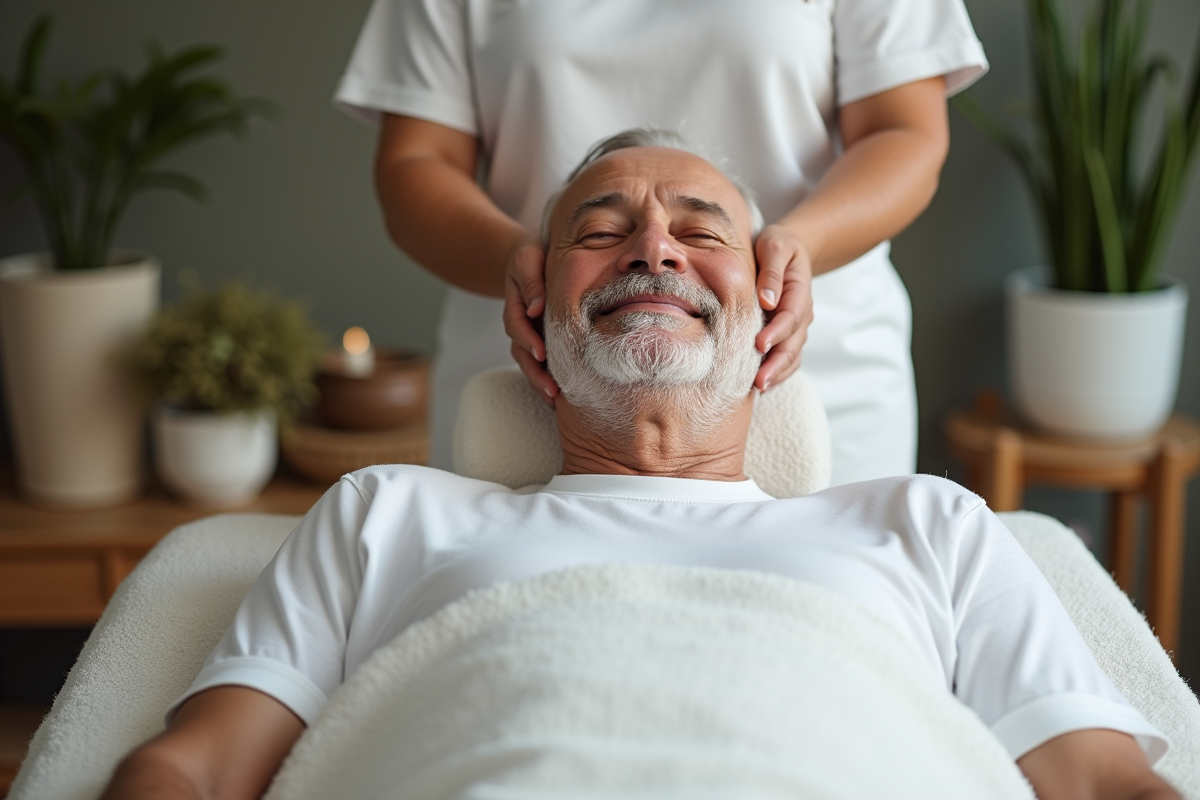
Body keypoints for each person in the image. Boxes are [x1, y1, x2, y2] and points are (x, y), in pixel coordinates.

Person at [101, 134, 1176, 800]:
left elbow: (1106, 782)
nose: (653, 247)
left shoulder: (925, 523)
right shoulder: (389, 514)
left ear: (773, 311)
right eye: (602, 230)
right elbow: (191, 768)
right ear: (534, 315)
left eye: (700, 230)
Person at [334, 0, 989, 484]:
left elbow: (905, 134)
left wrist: (797, 247)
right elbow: (414, 166)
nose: (656, 250)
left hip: (797, 360)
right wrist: (524, 260)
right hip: (544, 370)